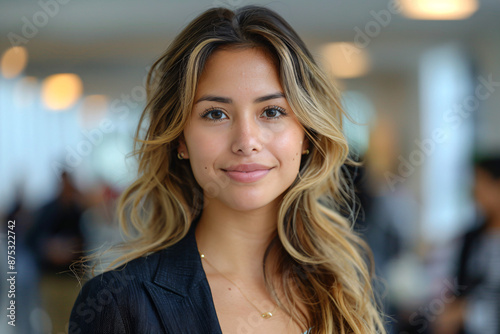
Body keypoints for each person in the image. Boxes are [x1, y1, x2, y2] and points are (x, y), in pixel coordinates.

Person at [69, 5, 386, 334]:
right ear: (180, 139)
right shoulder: (119, 304)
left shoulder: (345, 287)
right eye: (215, 114)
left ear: (306, 134)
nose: (246, 142)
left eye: (272, 111)